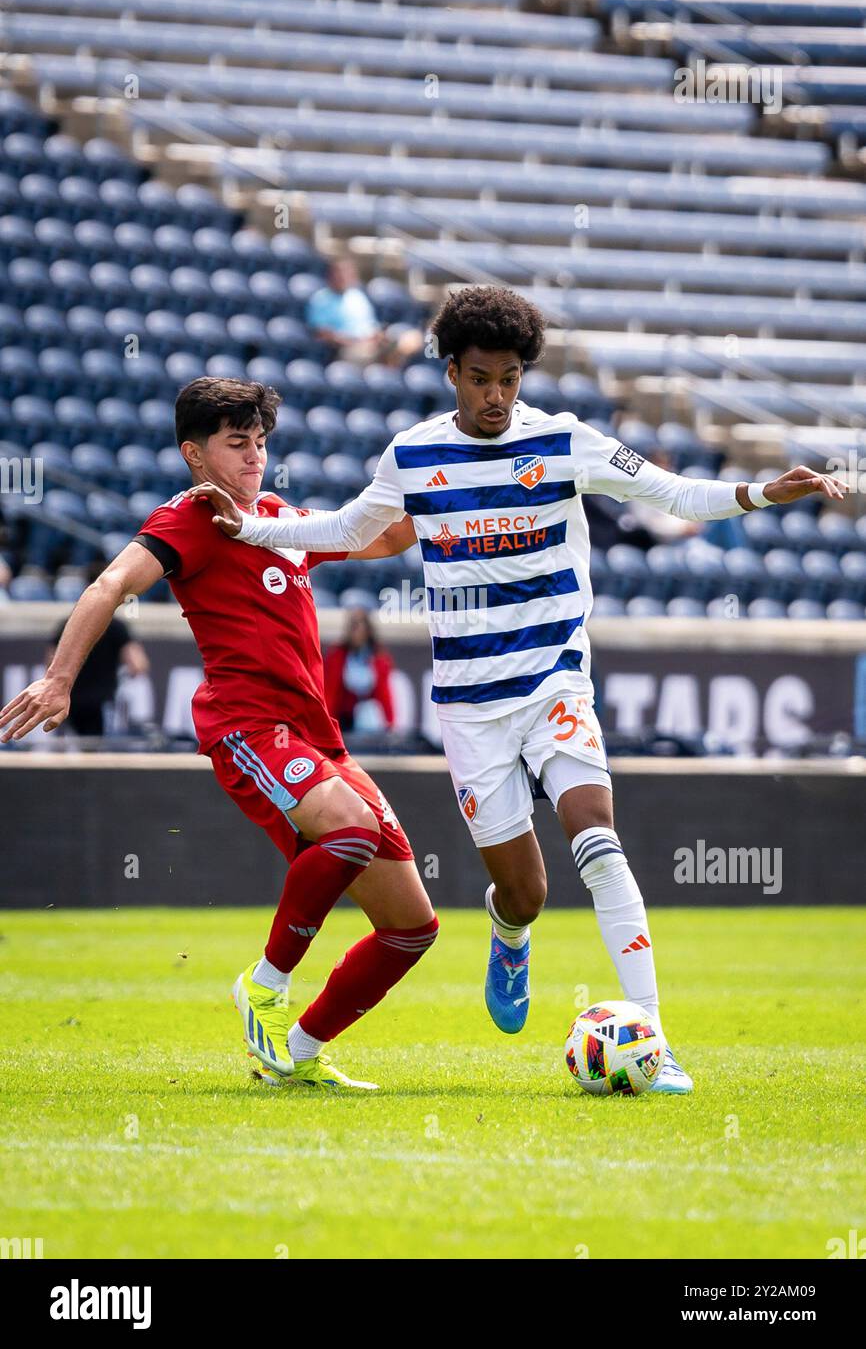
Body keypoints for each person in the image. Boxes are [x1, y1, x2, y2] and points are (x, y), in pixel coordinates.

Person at [185, 288, 847, 1096]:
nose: (497, 396)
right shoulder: (414, 454)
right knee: (526, 890)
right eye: (481, 379)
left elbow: (671, 493)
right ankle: (509, 930)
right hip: (471, 705)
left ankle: (656, 1038)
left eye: (510, 379)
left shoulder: (566, 442)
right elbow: (348, 529)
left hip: (555, 680)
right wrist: (250, 529)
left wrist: (759, 494)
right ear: (452, 374)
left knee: (598, 843)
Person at [0, 377, 437, 1091]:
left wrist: (462, 495)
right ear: (194, 455)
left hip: (319, 737)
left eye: (260, 443)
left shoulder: (279, 519)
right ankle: (263, 984)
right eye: (237, 444)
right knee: (351, 829)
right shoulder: (191, 520)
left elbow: (384, 536)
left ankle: (292, 1055)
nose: (254, 458)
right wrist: (59, 677)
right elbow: (110, 585)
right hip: (248, 726)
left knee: (412, 927)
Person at [47, 560, 150, 740]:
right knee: (99, 756)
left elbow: (50, 664)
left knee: (73, 755)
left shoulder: (68, 624)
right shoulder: (117, 627)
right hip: (103, 702)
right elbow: (138, 665)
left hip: (71, 703)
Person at [306, 257, 423, 366]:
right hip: (347, 350)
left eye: (347, 273)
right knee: (380, 355)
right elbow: (321, 334)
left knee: (412, 337)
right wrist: (354, 342)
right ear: (330, 276)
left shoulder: (358, 296)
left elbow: (371, 326)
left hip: (371, 344)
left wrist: (378, 335)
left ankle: (390, 369)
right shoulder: (320, 299)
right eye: (339, 273)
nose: (343, 277)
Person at [324, 608, 396, 733]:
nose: (356, 632)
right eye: (354, 626)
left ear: (368, 630)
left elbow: (384, 693)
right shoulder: (337, 656)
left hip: (371, 718)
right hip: (344, 717)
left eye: (360, 626)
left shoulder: (379, 657)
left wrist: (389, 722)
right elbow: (330, 692)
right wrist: (327, 723)